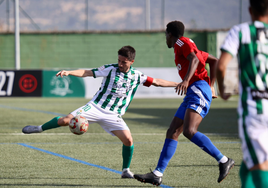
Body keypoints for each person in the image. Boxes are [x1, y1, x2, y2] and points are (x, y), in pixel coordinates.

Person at [22, 45, 179, 179]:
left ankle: (125, 171)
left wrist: (178, 84)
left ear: (131, 62)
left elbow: (158, 82)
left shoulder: (137, 76)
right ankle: (38, 128)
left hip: (113, 115)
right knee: (64, 121)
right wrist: (69, 72)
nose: (120, 64)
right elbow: (87, 72)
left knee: (128, 140)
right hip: (95, 107)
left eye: (123, 62)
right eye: (119, 60)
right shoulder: (110, 69)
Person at [134, 21, 235, 186]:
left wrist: (188, 81)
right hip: (194, 91)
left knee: (189, 131)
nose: (165, 38)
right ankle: (157, 174)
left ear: (170, 34)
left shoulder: (181, 42)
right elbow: (214, 61)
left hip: (197, 89)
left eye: (165, 35)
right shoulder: (185, 47)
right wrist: (212, 86)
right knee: (173, 131)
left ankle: (224, 160)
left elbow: (194, 59)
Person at [216, 0, 268, 187]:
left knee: (260, 165)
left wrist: (223, 91)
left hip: (255, 108)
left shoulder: (241, 31)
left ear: (249, 10)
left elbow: (221, 66)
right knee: (249, 161)